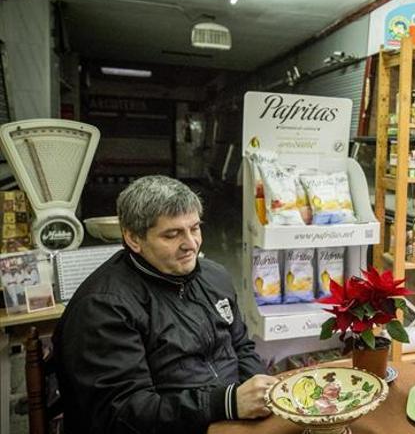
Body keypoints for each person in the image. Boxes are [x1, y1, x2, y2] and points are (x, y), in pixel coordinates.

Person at [53, 175, 278, 433]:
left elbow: (240, 345)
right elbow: (124, 414)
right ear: (133, 238)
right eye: (172, 235)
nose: (191, 244)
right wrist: (227, 403)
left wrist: (261, 396)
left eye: (194, 228)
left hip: (228, 416)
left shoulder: (214, 276)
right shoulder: (104, 307)